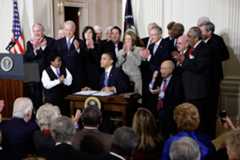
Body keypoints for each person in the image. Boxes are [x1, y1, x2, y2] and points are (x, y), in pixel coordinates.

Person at [176, 27, 211, 137]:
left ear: (196, 38)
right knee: (189, 118)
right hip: (188, 90)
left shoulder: (204, 49)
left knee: (197, 118)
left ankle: (199, 141)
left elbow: (198, 67)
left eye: (189, 37)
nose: (188, 38)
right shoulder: (191, 49)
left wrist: (183, 60)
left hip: (197, 91)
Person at [199, 21, 230, 138]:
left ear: (209, 32)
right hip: (201, 79)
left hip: (213, 78)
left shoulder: (217, 41)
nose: (199, 32)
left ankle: (211, 135)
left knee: (211, 108)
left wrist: (211, 57)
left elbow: (226, 56)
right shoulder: (199, 41)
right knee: (203, 108)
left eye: (201, 31)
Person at [24, 23, 56, 109]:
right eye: (34, 31)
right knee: (36, 98)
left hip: (47, 73)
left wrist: (43, 48)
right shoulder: (30, 43)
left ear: (43, 31)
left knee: (48, 97)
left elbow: (51, 58)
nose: (36, 33)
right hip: (34, 74)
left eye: (38, 30)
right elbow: (27, 57)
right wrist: (35, 48)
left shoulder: (51, 41)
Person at [149, 60, 184, 137]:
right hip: (157, 107)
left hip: (169, 109)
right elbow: (151, 89)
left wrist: (161, 92)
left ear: (171, 70)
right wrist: (154, 78)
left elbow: (176, 98)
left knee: (163, 115)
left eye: (164, 68)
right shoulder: (160, 78)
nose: (161, 71)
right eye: (161, 68)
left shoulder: (176, 81)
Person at [56, 20, 84, 92]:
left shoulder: (80, 42)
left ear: (74, 30)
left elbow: (83, 58)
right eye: (66, 30)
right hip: (63, 75)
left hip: (76, 76)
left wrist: (78, 49)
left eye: (70, 30)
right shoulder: (58, 42)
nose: (68, 32)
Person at [116, 30, 143, 95]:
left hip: (136, 78)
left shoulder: (139, 49)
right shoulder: (120, 52)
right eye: (125, 39)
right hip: (124, 79)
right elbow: (117, 65)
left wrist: (129, 53)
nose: (127, 41)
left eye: (129, 39)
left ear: (133, 40)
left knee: (137, 99)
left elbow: (138, 63)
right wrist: (123, 55)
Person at [81, 26, 103, 90]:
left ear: (93, 34)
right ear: (83, 34)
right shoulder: (81, 45)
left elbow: (98, 60)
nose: (88, 34)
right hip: (84, 75)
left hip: (95, 75)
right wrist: (87, 48)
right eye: (86, 32)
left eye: (90, 32)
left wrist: (92, 48)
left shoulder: (98, 45)